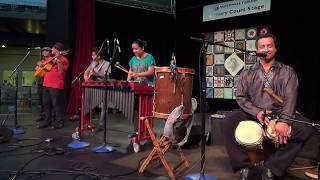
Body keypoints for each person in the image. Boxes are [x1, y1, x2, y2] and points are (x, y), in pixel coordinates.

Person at [222, 33, 315, 180]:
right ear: (257, 49)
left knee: (306, 128)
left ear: (275, 49)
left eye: (269, 46)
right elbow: (241, 97)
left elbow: (291, 98)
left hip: (279, 113)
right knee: (228, 121)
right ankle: (244, 167)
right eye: (262, 46)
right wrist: (257, 112)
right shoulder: (248, 72)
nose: (266, 49)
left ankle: (272, 168)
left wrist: (284, 121)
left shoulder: (287, 72)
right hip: (255, 112)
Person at [127, 39, 156, 137]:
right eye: (133, 49)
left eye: (136, 48)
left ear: (142, 48)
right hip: (136, 87)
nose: (134, 51)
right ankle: (136, 131)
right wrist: (128, 80)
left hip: (147, 87)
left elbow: (151, 72)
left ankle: (147, 131)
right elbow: (130, 72)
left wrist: (138, 74)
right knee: (136, 110)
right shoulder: (133, 59)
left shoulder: (149, 57)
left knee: (146, 111)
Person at [38, 42, 69, 129]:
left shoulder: (64, 60)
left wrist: (58, 60)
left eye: (53, 48)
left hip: (56, 84)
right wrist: (40, 65)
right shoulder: (50, 58)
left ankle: (59, 122)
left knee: (56, 104)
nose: (51, 49)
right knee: (46, 103)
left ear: (57, 50)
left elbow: (62, 72)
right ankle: (47, 121)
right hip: (46, 84)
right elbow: (42, 64)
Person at [83, 47, 111, 130]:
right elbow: (86, 72)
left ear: (99, 56)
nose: (92, 57)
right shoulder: (92, 63)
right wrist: (86, 78)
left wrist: (96, 74)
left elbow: (106, 76)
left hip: (102, 86)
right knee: (87, 104)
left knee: (104, 106)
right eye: (92, 55)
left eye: (93, 55)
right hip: (92, 86)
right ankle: (87, 122)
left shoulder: (107, 63)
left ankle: (101, 125)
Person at [34, 47, 51, 122]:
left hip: (47, 84)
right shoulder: (40, 61)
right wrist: (38, 67)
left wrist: (41, 66)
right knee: (40, 101)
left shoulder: (51, 60)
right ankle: (42, 115)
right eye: (43, 51)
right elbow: (37, 71)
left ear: (50, 52)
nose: (44, 52)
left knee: (47, 101)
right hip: (40, 83)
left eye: (46, 51)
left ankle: (49, 117)